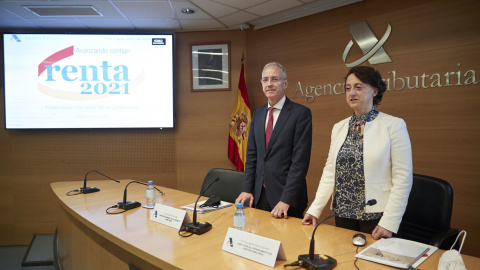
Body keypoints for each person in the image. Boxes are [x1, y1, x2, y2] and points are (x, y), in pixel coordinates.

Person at [302, 66, 412, 239]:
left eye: (358, 87)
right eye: (348, 88)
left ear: (375, 90)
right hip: (343, 213)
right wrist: (315, 209)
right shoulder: (339, 127)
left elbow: (403, 178)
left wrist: (389, 221)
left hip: (377, 217)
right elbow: (330, 172)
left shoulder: (394, 125)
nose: (352, 93)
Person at [235, 62, 312, 219]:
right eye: (265, 80)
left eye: (274, 79)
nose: (269, 84)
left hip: (287, 199)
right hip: (259, 194)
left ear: (285, 83)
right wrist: (247, 189)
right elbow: (252, 156)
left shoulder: (300, 114)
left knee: (289, 243)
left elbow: (299, 163)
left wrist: (286, 199)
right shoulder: (257, 113)